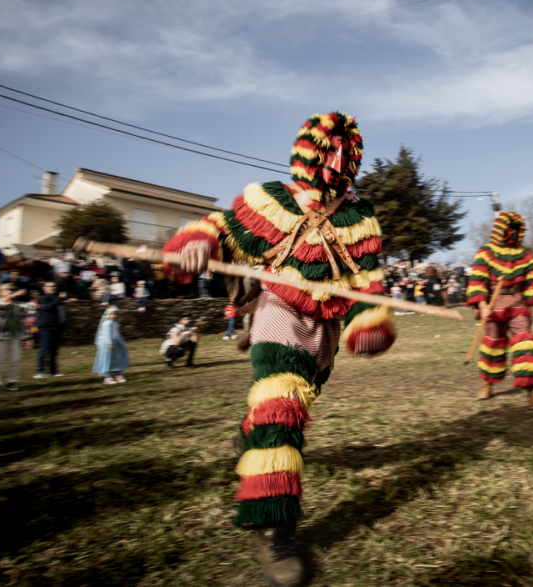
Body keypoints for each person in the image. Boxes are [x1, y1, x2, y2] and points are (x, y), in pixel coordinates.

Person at [163, 112, 396, 586]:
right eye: (324, 152)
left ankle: (248, 438)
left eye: (341, 156)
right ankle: (275, 530)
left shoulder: (360, 218)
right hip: (276, 313)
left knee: (284, 405)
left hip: (323, 330)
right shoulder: (269, 200)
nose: (332, 163)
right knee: (281, 404)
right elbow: (220, 229)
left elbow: (364, 286)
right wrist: (195, 242)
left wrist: (369, 322)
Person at [465, 211, 533, 410]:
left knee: (525, 343)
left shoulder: (526, 253)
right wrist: (481, 305)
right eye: (509, 229)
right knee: (494, 344)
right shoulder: (486, 252)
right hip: (493, 304)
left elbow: (532, 278)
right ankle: (487, 383)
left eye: (516, 230)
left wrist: (532, 296)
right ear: (500, 229)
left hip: (518, 303)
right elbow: (477, 280)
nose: (512, 233)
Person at [0, 283, 27, 392]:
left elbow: (25, 314)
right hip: (0, 335)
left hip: (15, 335)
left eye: (12, 289)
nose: (11, 291)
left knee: (15, 359)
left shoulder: (16, 304)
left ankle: (12, 382)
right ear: (1, 292)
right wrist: (13, 297)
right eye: (8, 289)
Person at [34, 281, 64, 378]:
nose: (52, 288)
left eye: (54, 286)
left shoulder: (56, 299)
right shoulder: (42, 298)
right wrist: (58, 299)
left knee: (54, 350)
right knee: (44, 349)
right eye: (50, 286)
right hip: (46, 327)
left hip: (56, 327)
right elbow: (47, 308)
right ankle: (40, 371)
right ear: (44, 288)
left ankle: (53, 371)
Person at [93, 306, 130, 384]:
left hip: (116, 342)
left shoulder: (115, 323)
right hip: (109, 343)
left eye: (116, 314)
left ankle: (118, 373)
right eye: (112, 314)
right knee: (108, 359)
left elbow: (117, 333)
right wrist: (109, 343)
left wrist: (120, 341)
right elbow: (107, 334)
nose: (115, 316)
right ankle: (107, 376)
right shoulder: (107, 324)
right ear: (108, 314)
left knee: (117, 358)